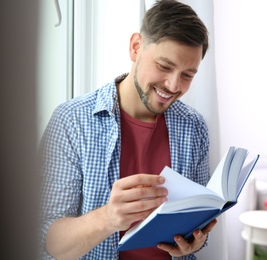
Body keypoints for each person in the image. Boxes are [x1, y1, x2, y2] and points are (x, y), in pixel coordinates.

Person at [39, 0, 217, 259]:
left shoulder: (195, 127)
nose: (173, 85)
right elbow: (46, 238)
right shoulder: (72, 121)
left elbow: (199, 224)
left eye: (188, 74)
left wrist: (195, 242)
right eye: (164, 66)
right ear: (136, 47)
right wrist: (108, 219)